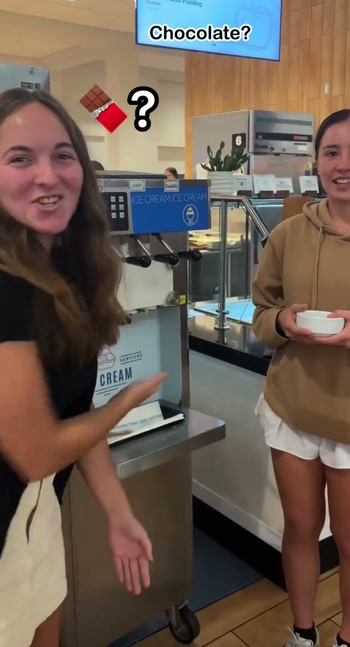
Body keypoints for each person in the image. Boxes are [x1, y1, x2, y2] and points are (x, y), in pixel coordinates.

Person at [0, 87, 167, 647]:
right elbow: (38, 450)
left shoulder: (63, 277)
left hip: (37, 512)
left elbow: (73, 413)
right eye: (19, 158)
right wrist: (125, 405)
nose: (47, 175)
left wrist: (118, 513)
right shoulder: (6, 289)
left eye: (62, 155)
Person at [252, 108, 350, 647]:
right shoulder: (288, 234)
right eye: (331, 152)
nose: (344, 164)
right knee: (299, 529)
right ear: (315, 161)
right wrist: (282, 323)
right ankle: (303, 633)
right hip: (293, 406)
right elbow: (261, 314)